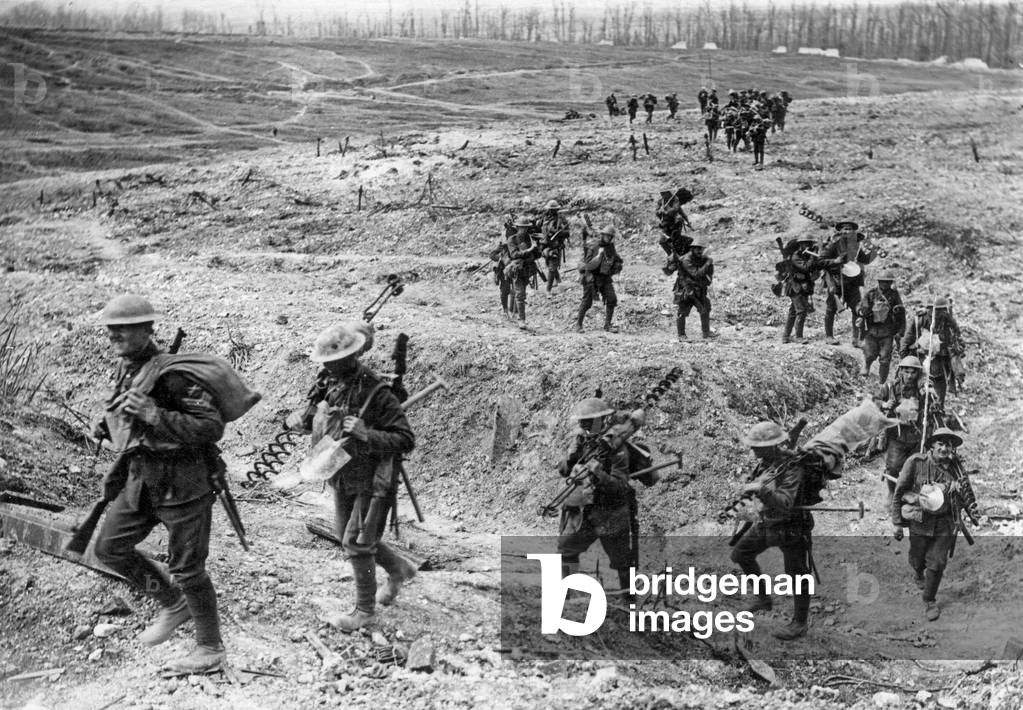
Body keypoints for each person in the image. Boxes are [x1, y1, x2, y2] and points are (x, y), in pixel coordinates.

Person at [92, 294, 260, 674]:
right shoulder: (129, 367)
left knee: (187, 568)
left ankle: (210, 647)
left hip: (184, 483)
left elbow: (210, 427)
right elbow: (125, 412)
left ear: (148, 329)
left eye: (124, 328)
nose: (114, 335)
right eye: (110, 328)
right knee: (110, 548)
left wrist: (154, 414)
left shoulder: (176, 374)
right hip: (141, 479)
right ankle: (172, 603)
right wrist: (109, 424)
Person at [290, 322, 416, 631]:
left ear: (353, 356)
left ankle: (364, 611)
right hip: (343, 471)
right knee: (346, 532)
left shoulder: (377, 391)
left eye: (334, 361)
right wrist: (304, 421)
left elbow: (405, 439)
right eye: (325, 362)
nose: (328, 366)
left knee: (357, 542)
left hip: (374, 479)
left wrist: (366, 433)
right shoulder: (329, 382)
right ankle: (399, 568)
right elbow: (315, 415)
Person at [729, 422, 815, 641]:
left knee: (796, 574)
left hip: (792, 526)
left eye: (757, 446)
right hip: (767, 521)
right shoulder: (766, 463)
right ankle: (764, 599)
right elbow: (756, 484)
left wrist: (762, 491)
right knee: (740, 554)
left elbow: (786, 501)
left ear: (771, 446)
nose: (753, 450)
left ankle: (799, 623)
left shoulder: (793, 467)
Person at [556, 398, 641, 602]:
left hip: (611, 513)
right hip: (586, 511)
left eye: (589, 421)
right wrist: (570, 457)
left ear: (602, 420)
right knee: (566, 549)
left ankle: (629, 603)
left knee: (622, 561)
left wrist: (599, 473)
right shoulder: (582, 441)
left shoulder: (617, 449)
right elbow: (564, 471)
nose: (583, 425)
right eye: (582, 421)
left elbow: (621, 487)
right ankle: (567, 598)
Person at [891, 428, 978, 621]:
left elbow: (966, 497)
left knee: (937, 563)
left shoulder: (957, 469)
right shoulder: (916, 462)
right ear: (932, 445)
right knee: (917, 558)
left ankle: (929, 599)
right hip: (920, 521)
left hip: (945, 523)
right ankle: (917, 572)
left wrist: (957, 493)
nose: (945, 448)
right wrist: (897, 523)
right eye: (941, 444)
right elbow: (899, 492)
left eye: (948, 445)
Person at [876, 355, 944, 500]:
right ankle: (892, 494)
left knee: (917, 468)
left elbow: (934, 404)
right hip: (897, 436)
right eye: (906, 372)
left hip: (917, 437)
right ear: (900, 371)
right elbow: (872, 400)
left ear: (918, 373)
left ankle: (912, 495)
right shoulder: (891, 387)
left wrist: (931, 398)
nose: (909, 376)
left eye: (913, 372)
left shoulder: (922, 389)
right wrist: (883, 405)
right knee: (893, 467)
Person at [900, 296, 966, 408]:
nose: (937, 313)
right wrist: (905, 357)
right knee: (915, 386)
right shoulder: (919, 320)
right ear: (928, 309)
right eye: (934, 310)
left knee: (939, 389)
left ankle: (938, 409)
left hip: (940, 361)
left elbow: (958, 338)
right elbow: (907, 340)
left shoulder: (948, 321)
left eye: (940, 310)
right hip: (920, 359)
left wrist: (955, 348)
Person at [819, 221, 877, 346]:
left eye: (849, 229)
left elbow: (865, 260)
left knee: (857, 310)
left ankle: (856, 339)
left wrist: (873, 250)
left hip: (852, 283)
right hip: (836, 281)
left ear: (853, 232)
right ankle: (829, 336)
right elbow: (820, 261)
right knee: (831, 309)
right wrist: (835, 261)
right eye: (844, 229)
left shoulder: (856, 247)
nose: (847, 231)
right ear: (840, 231)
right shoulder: (833, 245)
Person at [857, 273, 906, 381]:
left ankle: (882, 381)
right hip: (872, 330)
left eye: (887, 282)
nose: (885, 284)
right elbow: (860, 307)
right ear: (879, 282)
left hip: (887, 331)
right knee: (870, 354)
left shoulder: (894, 295)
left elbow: (901, 312)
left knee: (885, 358)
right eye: (883, 281)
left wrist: (900, 331)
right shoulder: (871, 293)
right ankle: (867, 366)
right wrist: (862, 311)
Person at [575, 226, 623, 333]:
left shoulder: (610, 247)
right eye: (606, 235)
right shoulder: (594, 246)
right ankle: (578, 324)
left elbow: (616, 258)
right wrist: (598, 258)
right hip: (592, 277)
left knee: (612, 299)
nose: (608, 238)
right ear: (603, 235)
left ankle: (607, 325)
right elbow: (587, 265)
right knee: (587, 302)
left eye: (610, 236)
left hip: (605, 277)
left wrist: (618, 265)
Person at [669, 235, 715, 341]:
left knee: (705, 308)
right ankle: (681, 335)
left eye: (701, 249)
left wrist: (709, 264)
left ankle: (706, 334)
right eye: (698, 248)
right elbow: (696, 274)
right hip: (686, 289)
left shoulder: (702, 259)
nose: (700, 251)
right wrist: (708, 263)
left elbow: (708, 275)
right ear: (692, 248)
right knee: (682, 311)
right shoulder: (686, 259)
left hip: (698, 289)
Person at [777, 236, 820, 344]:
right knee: (801, 311)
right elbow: (806, 268)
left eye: (809, 244)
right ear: (800, 245)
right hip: (796, 287)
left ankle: (785, 336)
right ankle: (798, 337)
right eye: (805, 244)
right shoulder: (796, 256)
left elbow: (814, 270)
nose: (808, 246)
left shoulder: (805, 255)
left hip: (802, 287)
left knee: (793, 312)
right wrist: (812, 257)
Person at [506, 216, 543, 330]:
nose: (524, 230)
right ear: (517, 227)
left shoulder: (530, 239)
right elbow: (514, 254)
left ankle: (512, 311)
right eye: (522, 228)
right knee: (520, 294)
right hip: (517, 269)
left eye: (526, 228)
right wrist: (530, 250)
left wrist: (538, 248)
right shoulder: (512, 239)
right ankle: (522, 320)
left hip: (528, 270)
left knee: (519, 292)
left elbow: (537, 256)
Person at [539, 200, 571, 295]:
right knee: (550, 265)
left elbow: (567, 233)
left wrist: (557, 233)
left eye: (554, 210)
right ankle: (559, 281)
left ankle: (548, 289)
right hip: (545, 245)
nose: (552, 211)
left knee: (552, 268)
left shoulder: (561, 219)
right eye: (550, 209)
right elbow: (539, 227)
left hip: (556, 246)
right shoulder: (545, 217)